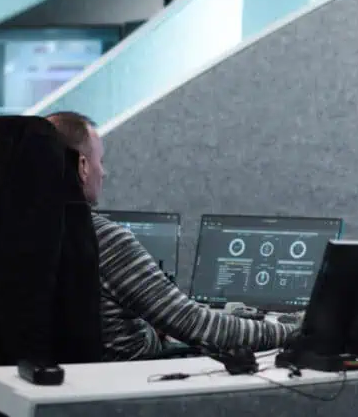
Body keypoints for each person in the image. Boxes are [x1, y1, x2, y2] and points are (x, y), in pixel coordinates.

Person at [44, 111, 297, 361]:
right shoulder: (100, 238)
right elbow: (198, 326)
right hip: (132, 385)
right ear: (83, 165)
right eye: (100, 160)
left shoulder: (19, 234)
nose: (104, 172)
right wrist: (294, 331)